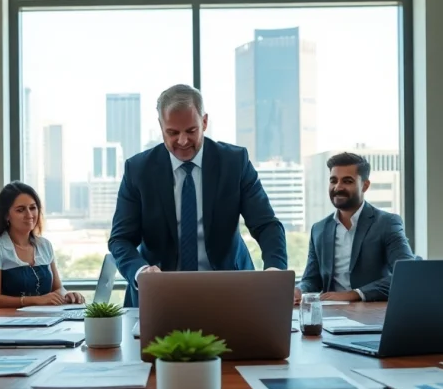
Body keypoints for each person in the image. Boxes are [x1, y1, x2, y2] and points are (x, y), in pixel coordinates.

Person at [108, 83, 287, 306]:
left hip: (230, 290)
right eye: (172, 133)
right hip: (159, 294)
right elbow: (120, 239)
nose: (182, 141)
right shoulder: (138, 170)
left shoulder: (234, 162)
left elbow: (266, 225)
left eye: (191, 131)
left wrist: (274, 270)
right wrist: (141, 271)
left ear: (204, 122)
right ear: (161, 126)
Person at [296, 152, 415, 304]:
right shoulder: (319, 229)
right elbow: (312, 280)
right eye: (333, 180)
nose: (338, 187)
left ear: (365, 185)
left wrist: (356, 294)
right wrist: (301, 290)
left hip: (370, 312)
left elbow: (406, 273)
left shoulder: (387, 223)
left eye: (347, 181)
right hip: (330, 313)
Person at [0, 182, 85, 310]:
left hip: (45, 320)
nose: (29, 215)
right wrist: (35, 300)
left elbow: (57, 289)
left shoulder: (45, 245)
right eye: (20, 210)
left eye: (33, 208)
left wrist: (68, 295)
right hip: (8, 324)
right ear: (6, 215)